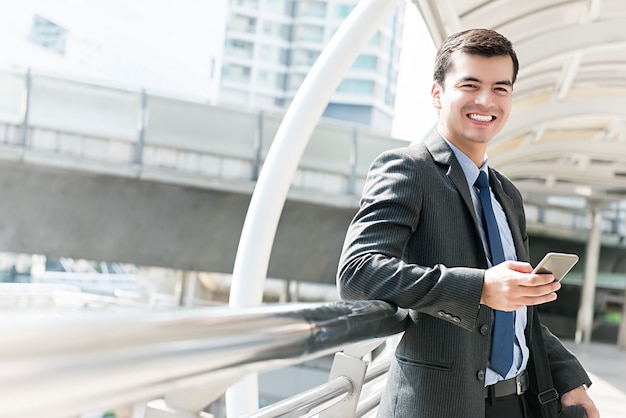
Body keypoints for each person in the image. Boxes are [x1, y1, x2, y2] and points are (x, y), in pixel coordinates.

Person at [336, 28, 599, 418]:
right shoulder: (408, 170)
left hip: (519, 403)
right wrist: (479, 288)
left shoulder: (506, 194)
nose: (485, 101)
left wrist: (569, 378)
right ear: (438, 94)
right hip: (440, 405)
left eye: (500, 88)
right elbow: (358, 273)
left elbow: (521, 316)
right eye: (470, 84)